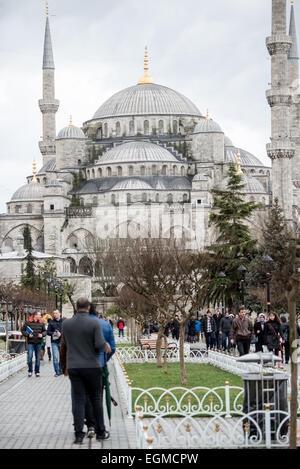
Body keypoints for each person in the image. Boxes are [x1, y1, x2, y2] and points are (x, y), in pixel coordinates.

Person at [61, 297, 111, 444]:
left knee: (78, 399)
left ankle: (78, 434)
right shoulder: (94, 322)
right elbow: (99, 344)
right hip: (92, 366)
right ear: (89, 308)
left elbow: (66, 342)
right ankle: (100, 432)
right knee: (96, 398)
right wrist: (106, 346)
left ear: (76, 308)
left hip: (74, 367)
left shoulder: (66, 324)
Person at [85, 303, 116, 436]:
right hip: (99, 365)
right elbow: (112, 348)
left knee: (85, 397)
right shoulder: (105, 324)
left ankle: (90, 425)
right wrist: (104, 360)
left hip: (82, 365)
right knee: (97, 397)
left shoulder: (79, 324)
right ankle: (99, 428)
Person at [21, 311, 47, 377]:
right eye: (39, 315)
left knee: (38, 358)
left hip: (38, 343)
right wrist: (27, 335)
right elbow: (22, 330)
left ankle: (37, 372)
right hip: (30, 343)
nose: (40, 316)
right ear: (35, 315)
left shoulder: (41, 323)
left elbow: (45, 331)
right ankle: (30, 371)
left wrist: (42, 334)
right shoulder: (28, 322)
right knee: (30, 357)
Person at [47, 310, 64, 377]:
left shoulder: (64, 322)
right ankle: (57, 372)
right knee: (55, 358)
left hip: (62, 342)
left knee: (62, 357)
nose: (55, 314)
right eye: (54, 313)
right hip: (54, 342)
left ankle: (61, 369)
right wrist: (53, 333)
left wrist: (61, 334)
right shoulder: (51, 322)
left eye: (56, 313)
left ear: (60, 314)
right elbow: (48, 332)